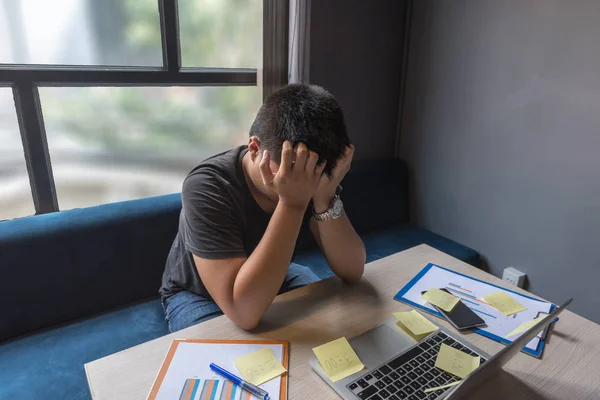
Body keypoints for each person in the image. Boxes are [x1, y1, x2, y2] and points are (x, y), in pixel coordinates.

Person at [160, 84, 366, 331]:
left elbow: (353, 271)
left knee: (340, 328)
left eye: (315, 177)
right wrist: (292, 203)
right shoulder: (207, 185)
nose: (303, 184)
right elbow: (243, 312)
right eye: (289, 173)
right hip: (198, 293)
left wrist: (325, 196)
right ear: (255, 150)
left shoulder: (312, 173)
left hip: (278, 273)